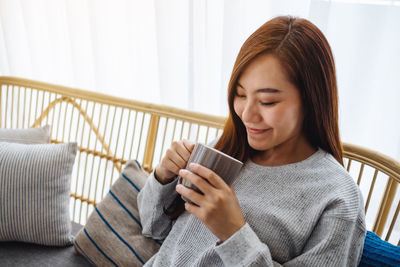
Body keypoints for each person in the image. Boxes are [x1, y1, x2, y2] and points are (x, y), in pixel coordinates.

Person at [137, 15, 366, 266]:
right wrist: (163, 177)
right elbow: (152, 228)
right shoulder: (224, 150)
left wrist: (234, 233)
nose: (246, 114)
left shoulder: (337, 198)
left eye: (268, 101)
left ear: (311, 100)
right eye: (240, 94)